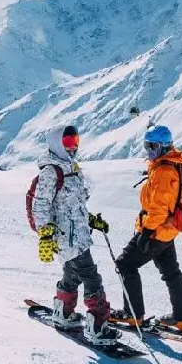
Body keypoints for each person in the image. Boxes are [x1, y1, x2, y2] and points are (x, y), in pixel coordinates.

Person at [30, 124, 120, 345]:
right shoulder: (51, 171)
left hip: (78, 234)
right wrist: (45, 234)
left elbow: (74, 204)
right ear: (56, 143)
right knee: (91, 278)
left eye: (75, 142)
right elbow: (40, 205)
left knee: (72, 274)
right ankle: (98, 326)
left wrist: (90, 219)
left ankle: (63, 312)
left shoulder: (72, 167)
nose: (73, 147)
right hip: (65, 237)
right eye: (68, 142)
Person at [110, 125, 182, 335]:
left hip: (156, 230)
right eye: (147, 146)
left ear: (165, 147)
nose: (149, 151)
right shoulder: (170, 165)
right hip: (167, 231)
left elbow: (158, 208)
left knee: (125, 264)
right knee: (171, 272)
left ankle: (133, 314)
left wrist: (146, 233)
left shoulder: (164, 171)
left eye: (154, 146)